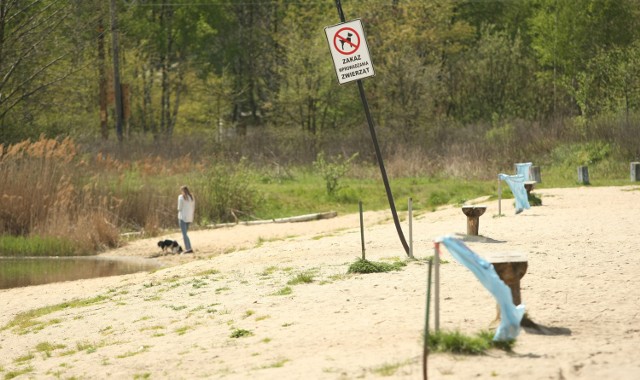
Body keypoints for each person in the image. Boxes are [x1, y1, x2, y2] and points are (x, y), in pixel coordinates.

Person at [177, 185, 195, 253]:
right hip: (189, 217)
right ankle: (188, 247)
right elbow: (193, 207)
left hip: (182, 217)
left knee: (184, 234)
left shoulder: (180, 197)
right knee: (185, 234)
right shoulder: (191, 197)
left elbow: (179, 208)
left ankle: (188, 248)